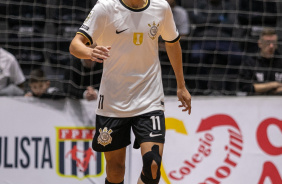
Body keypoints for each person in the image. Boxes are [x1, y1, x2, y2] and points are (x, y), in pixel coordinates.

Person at [69, 0, 192, 183]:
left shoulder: (161, 7)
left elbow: (172, 43)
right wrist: (89, 52)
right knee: (115, 171)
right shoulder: (105, 7)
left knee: (152, 165)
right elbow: (74, 45)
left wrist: (181, 85)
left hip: (150, 98)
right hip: (113, 101)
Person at [189, 0, 242, 95]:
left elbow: (230, 24)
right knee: (195, 56)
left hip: (225, 40)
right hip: (203, 40)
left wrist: (207, 21)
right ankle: (202, 88)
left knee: (237, 56)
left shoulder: (228, 5)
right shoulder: (199, 4)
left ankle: (229, 88)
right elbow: (198, 21)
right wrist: (219, 18)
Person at [239, 28, 282, 95]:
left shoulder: (280, 61)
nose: (271, 46)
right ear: (260, 44)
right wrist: (273, 85)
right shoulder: (250, 62)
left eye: (274, 43)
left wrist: (261, 88)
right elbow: (245, 87)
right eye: (267, 42)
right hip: (254, 102)